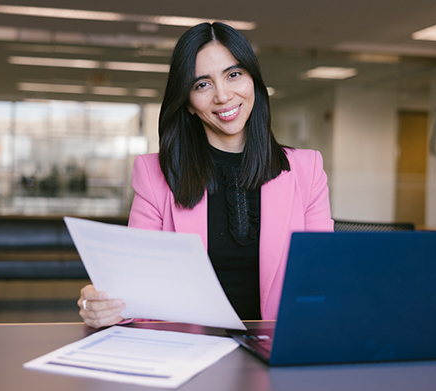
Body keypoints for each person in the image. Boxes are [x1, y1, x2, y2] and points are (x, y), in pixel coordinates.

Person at [78, 22, 333, 329]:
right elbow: (137, 291)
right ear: (187, 102)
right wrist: (106, 303)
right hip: (190, 350)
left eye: (234, 74)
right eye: (202, 84)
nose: (223, 96)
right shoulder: (154, 174)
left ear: (253, 79)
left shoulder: (307, 170)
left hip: (279, 346)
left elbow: (321, 280)